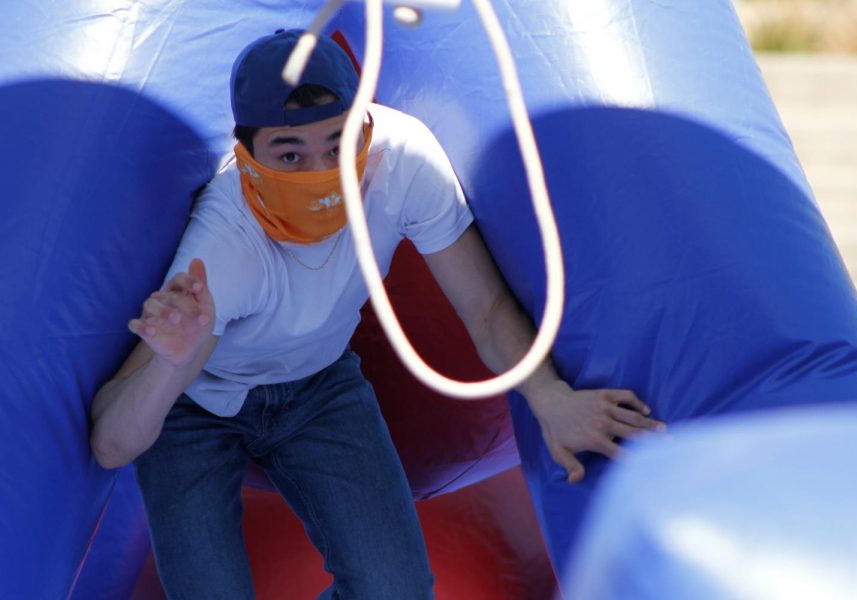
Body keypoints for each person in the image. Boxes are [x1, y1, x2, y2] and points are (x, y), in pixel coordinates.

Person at [89, 28, 665, 599]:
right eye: (290, 155)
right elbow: (112, 444)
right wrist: (171, 362)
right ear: (246, 157)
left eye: (338, 145)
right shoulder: (223, 248)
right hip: (199, 405)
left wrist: (550, 398)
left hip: (316, 385)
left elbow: (485, 308)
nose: (322, 175)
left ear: (366, 127)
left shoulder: (402, 162)